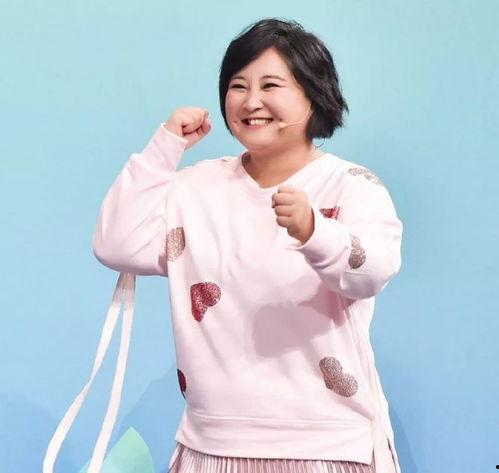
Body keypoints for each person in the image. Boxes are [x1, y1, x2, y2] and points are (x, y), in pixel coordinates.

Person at [44, 17, 404, 473]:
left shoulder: (351, 185)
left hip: (325, 447)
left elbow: (373, 271)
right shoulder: (195, 188)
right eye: (238, 86)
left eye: (270, 85)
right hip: (210, 445)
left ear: (314, 94)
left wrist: (315, 231)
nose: (251, 101)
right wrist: (163, 148)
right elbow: (116, 242)